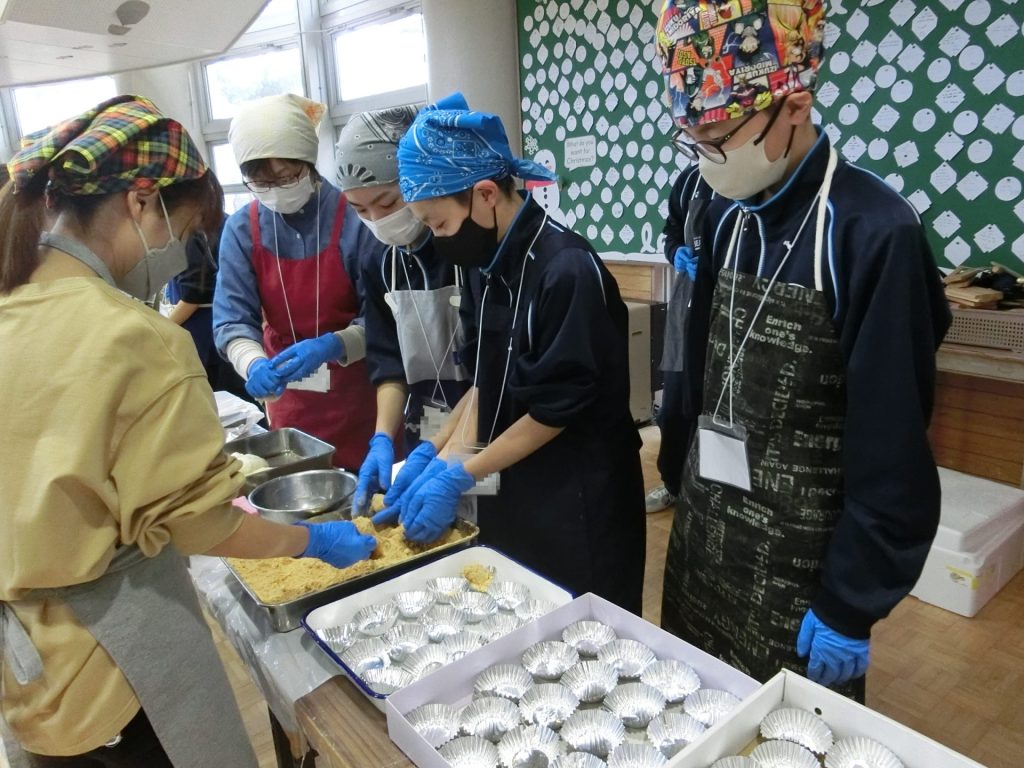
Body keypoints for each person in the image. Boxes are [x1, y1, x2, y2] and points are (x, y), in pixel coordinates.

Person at [0, 95, 377, 768]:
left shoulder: (14, 305)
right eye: (183, 233)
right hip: (116, 663)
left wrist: (338, 346)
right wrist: (311, 540)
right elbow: (204, 525)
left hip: (29, 672)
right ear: (142, 204)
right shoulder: (130, 337)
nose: (178, 259)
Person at [654, 0, 951, 700]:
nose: (706, 159)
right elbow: (700, 380)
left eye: (720, 134)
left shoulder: (874, 233)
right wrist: (675, 467)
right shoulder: (727, 214)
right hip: (705, 534)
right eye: (691, 137)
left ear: (794, 105)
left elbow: (893, 443)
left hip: (802, 564)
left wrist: (851, 597)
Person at [374, 93, 646, 613]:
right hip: (518, 479)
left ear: (484, 195)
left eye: (439, 224)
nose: (436, 239)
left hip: (580, 491)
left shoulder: (565, 270)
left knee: (584, 627)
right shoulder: (486, 262)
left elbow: (552, 411)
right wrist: (436, 453)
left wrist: (462, 473)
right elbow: (486, 381)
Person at [213, 94, 378, 470]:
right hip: (289, 394)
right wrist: (253, 363)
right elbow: (231, 317)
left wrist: (335, 343)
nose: (275, 189)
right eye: (260, 181)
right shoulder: (242, 230)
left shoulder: (355, 217)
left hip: (360, 392)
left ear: (309, 163)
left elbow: (385, 315)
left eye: (286, 177)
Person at [334, 105, 471, 516]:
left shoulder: (468, 247)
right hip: (423, 425)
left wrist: (443, 451)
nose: (377, 221)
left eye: (387, 201)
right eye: (360, 211)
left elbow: (495, 373)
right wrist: (380, 437)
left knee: (489, 532)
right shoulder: (379, 259)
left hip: (485, 424)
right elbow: (388, 360)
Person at [646, 171, 702, 514]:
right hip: (687, 300)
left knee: (714, 410)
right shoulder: (689, 181)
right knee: (675, 408)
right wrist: (676, 250)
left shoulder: (752, 181)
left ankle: (709, 494)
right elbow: (671, 230)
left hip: (727, 303)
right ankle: (672, 484)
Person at [164, 216, 249, 401]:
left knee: (218, 403)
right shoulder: (225, 222)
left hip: (203, 332)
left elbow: (196, 292)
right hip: (224, 324)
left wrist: (162, 327)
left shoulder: (189, 230)